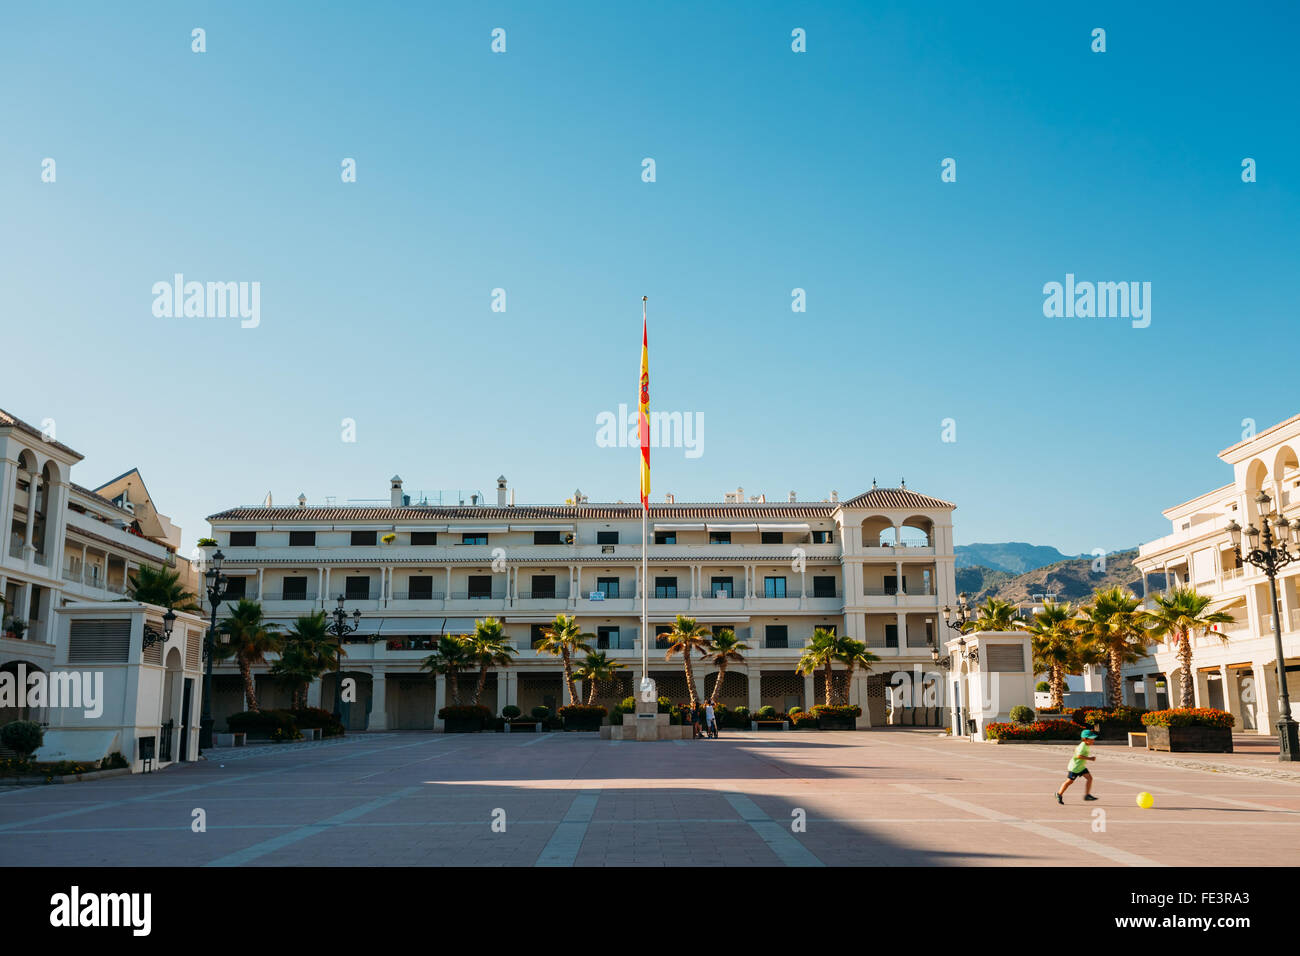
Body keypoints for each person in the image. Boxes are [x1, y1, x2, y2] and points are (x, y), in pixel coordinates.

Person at [1056, 729, 1099, 803]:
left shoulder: (1086, 745)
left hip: (1081, 767)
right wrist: (1090, 758)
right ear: (1085, 739)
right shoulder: (1082, 746)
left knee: (1090, 778)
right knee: (1069, 782)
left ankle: (1087, 795)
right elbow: (1079, 756)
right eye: (1091, 739)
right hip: (1075, 768)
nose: (1093, 740)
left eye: (1093, 739)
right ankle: (1059, 794)